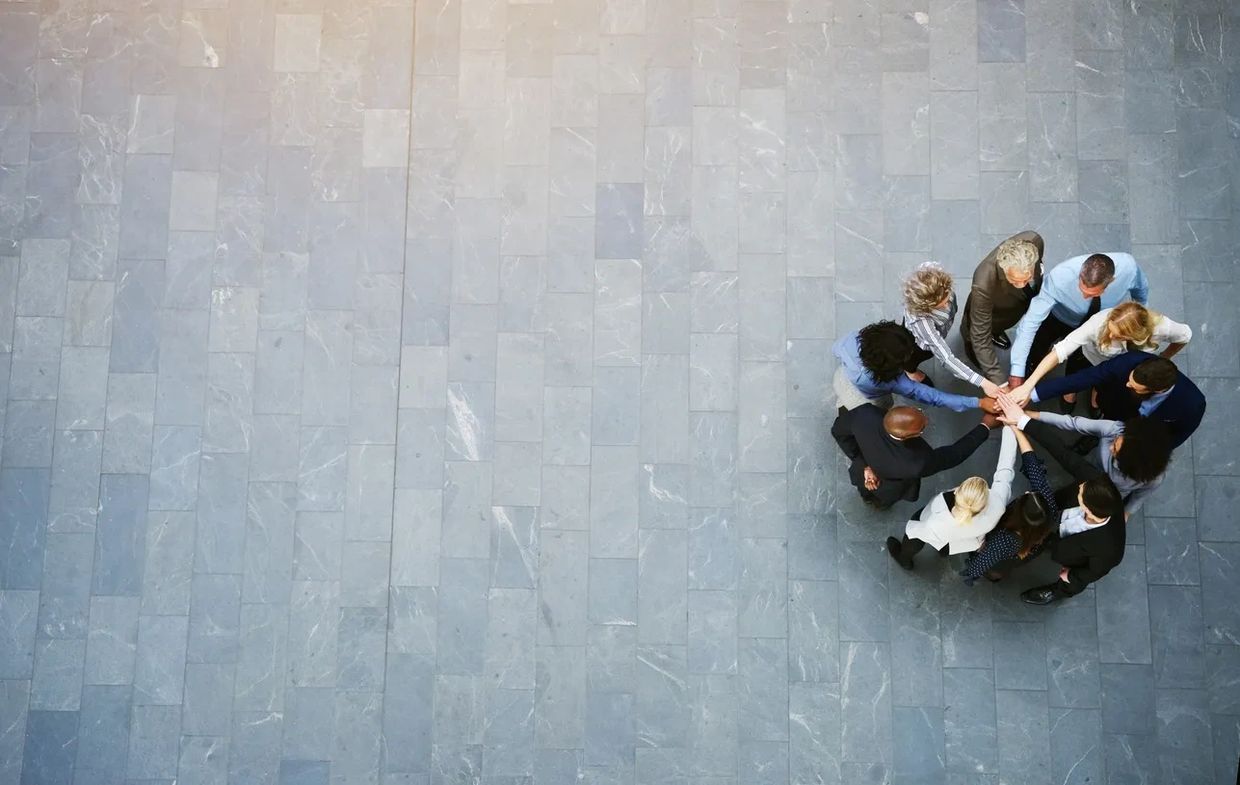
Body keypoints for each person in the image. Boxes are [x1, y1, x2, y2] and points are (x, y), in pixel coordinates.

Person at [996, 395, 1173, 519]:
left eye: (1116, 450)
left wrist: (1124, 515)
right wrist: (1032, 415)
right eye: (1115, 443)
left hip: (1106, 492)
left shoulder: (1153, 479)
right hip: (1089, 467)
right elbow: (1073, 423)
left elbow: (1137, 498)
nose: (1110, 446)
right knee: (1065, 495)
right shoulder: (1117, 430)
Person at [1009, 302, 1191, 412]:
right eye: (1110, 330)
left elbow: (1185, 336)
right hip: (1090, 358)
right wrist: (1028, 385)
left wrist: (1165, 357)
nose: (1111, 337)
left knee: (1107, 386)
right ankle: (1070, 393)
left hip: (1125, 370)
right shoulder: (1098, 322)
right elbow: (1061, 350)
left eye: (1119, 335)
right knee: (1076, 373)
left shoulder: (1163, 328)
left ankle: (1096, 392)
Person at [1008, 252, 1150, 388]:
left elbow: (1141, 290)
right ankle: (1033, 366)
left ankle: (1071, 383)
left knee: (1083, 357)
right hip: (1059, 318)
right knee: (1038, 344)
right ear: (1080, 274)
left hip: (1100, 323)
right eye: (1082, 290)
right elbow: (1030, 322)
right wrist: (1016, 372)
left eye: (1092, 294)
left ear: (1111, 280)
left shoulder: (1129, 268)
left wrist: (1140, 315)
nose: (1084, 297)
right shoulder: (1059, 278)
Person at [886, 427, 1017, 569]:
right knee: (946, 546)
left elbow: (922, 530)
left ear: (956, 492)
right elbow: (1006, 467)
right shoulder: (998, 503)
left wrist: (1010, 426)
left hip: (937, 531)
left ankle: (904, 558)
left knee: (915, 534)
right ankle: (943, 552)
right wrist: (1011, 427)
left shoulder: (937, 515)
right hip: (964, 540)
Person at [830, 404, 1000, 510]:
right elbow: (954, 454)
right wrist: (985, 426)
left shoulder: (865, 414)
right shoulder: (917, 462)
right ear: (907, 436)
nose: (926, 421)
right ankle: (877, 504)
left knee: (865, 489)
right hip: (889, 486)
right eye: (922, 428)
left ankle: (868, 497)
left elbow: (838, 431)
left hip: (863, 472)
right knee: (881, 500)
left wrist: (864, 464)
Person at [1024, 351, 1205, 449]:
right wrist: (1030, 394)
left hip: (1142, 432)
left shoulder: (1192, 403)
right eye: (1130, 379)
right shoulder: (1129, 361)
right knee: (1104, 422)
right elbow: (1082, 379)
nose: (1127, 384)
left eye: (1134, 386)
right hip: (1114, 405)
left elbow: (1178, 436)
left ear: (1156, 390)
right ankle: (1096, 435)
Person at [960, 425, 1057, 585]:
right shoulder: (1047, 505)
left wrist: (971, 572)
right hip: (1025, 550)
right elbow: (1033, 466)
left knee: (994, 567)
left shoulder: (1004, 540)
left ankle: (993, 576)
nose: (1027, 492)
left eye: (1026, 497)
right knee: (1005, 565)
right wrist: (1016, 428)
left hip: (1005, 552)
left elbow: (982, 562)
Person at [833, 321, 999, 414]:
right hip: (870, 398)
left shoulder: (852, 339)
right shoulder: (895, 383)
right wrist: (979, 402)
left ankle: (842, 402)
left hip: (842, 377)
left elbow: (836, 349)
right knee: (883, 406)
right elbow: (933, 396)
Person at [900, 262, 1006, 399]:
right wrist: (983, 383)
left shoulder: (935, 281)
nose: (947, 305)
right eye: (941, 305)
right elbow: (946, 358)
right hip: (918, 344)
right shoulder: (922, 322)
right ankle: (910, 371)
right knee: (913, 357)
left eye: (947, 297)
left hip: (938, 329)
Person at [1020, 474, 1126, 605]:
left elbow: (1094, 572)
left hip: (1076, 556)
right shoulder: (1101, 489)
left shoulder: (1110, 550)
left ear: (1088, 508)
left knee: (1071, 583)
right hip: (1063, 534)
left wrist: (1071, 576)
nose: (1080, 486)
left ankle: (1058, 592)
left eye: (1081, 493)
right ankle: (1046, 541)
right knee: (1048, 541)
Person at [960, 232, 1045, 386]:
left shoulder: (1035, 241)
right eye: (1015, 281)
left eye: (1027, 279)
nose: (1022, 284)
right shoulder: (983, 282)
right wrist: (999, 381)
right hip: (991, 310)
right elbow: (980, 336)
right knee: (974, 337)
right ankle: (973, 354)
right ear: (1004, 269)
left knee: (1000, 324)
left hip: (1012, 310)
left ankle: (996, 332)